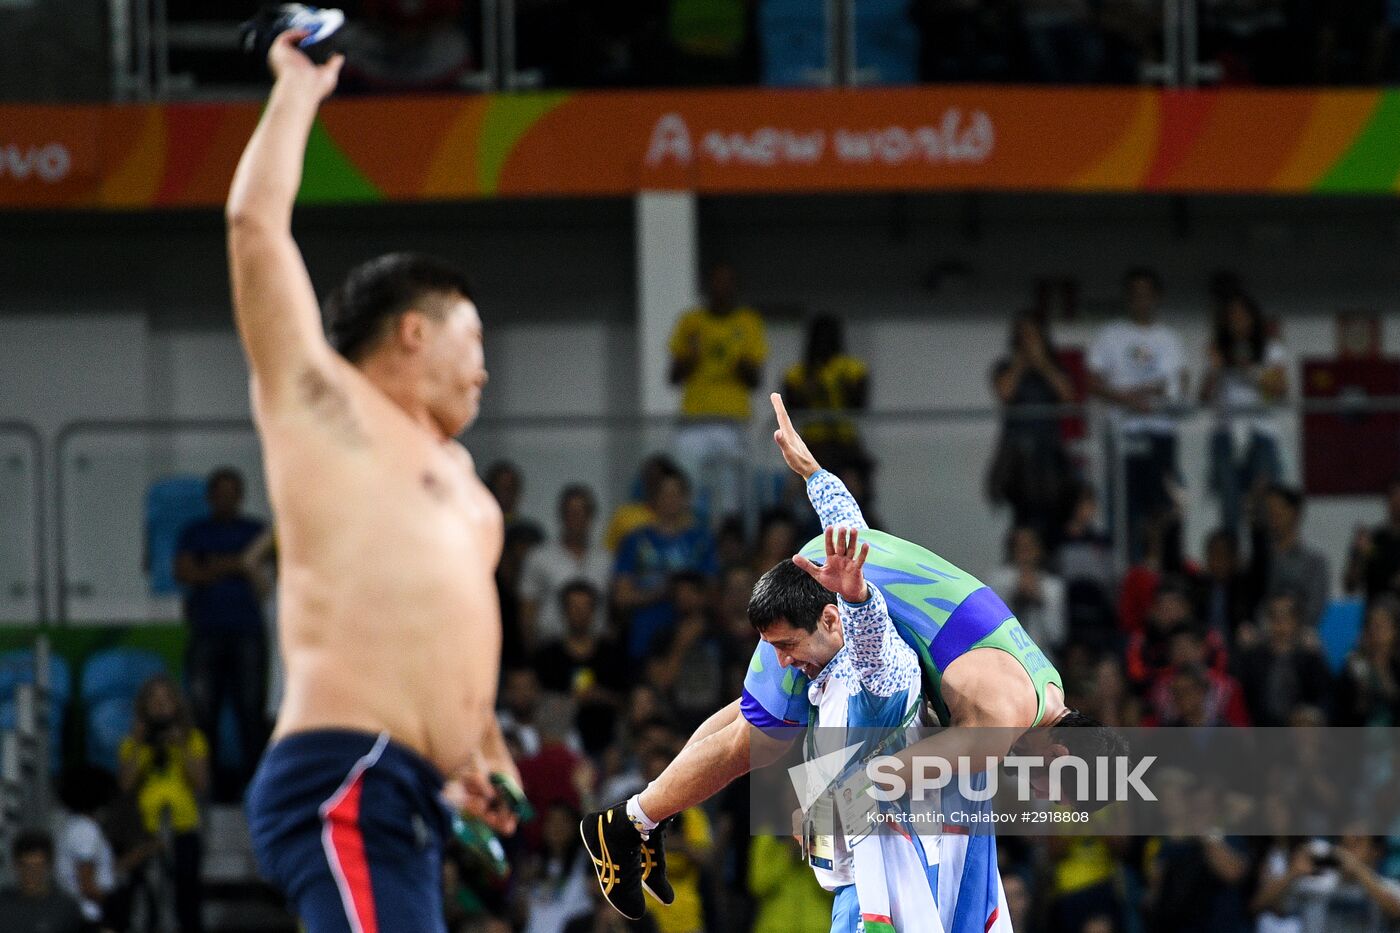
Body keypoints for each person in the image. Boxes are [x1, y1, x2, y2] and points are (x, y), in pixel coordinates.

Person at [583, 394, 1120, 929]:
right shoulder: (998, 723)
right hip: (836, 583)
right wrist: (820, 813)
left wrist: (818, 476)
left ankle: (652, 816)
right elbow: (887, 773)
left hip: (856, 556)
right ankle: (634, 821)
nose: (1038, 799)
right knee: (765, 736)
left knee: (755, 715)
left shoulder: (1046, 687)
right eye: (1054, 788)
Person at [229, 28, 518, 933]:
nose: (484, 372)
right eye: (474, 344)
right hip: (344, 765)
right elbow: (254, 229)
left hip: (416, 795)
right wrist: (298, 90)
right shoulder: (324, 407)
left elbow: (454, 658)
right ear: (414, 334)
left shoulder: (471, 497)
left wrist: (488, 764)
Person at [173, 465, 268, 795]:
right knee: (203, 712)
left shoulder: (257, 530)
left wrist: (212, 564)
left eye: (232, 492)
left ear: (240, 496)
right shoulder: (195, 531)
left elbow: (268, 583)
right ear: (210, 496)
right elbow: (186, 572)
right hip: (206, 632)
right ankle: (207, 788)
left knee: (251, 713)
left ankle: (256, 786)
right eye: (220, 492)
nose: (226, 499)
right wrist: (240, 564)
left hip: (249, 633)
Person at [1088, 267, 1187, 562]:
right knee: (1125, 507)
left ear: (1157, 297)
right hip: (1124, 434)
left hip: (1160, 433)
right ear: (1128, 298)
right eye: (1135, 294)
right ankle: (1127, 565)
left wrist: (1157, 395)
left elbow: (1179, 384)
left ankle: (1162, 566)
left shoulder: (1169, 337)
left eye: (1147, 294)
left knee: (1162, 506)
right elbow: (1092, 380)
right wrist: (1127, 398)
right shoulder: (1111, 334)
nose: (1141, 300)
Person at [667, 262, 767, 516]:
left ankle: (729, 536)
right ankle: (686, 525)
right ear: (708, 286)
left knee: (730, 495)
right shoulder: (691, 322)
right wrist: (692, 355)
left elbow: (755, 379)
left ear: (734, 287)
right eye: (717, 282)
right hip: (694, 420)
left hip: (732, 422)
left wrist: (740, 360)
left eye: (727, 282)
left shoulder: (747, 322)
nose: (722, 288)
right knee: (687, 483)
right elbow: (673, 375)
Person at [119, 674, 210, 932]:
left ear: (177, 705)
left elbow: (201, 783)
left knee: (187, 896)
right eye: (154, 701)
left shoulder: (193, 740)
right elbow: (125, 785)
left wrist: (180, 745)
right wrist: (138, 744)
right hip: (144, 830)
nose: (160, 707)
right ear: (144, 706)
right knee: (145, 896)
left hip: (183, 825)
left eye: (166, 700)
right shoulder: (132, 743)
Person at [1199, 292, 1288, 534]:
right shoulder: (1218, 351)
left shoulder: (1270, 349)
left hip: (1260, 431)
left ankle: (1264, 562)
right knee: (1229, 506)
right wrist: (1215, 369)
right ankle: (1232, 561)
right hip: (1226, 433)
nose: (1237, 323)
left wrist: (1250, 372)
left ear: (1253, 319)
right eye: (1232, 318)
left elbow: (1281, 389)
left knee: (1263, 506)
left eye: (1242, 317)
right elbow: (1203, 397)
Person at [989, 312, 1077, 550]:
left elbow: (1068, 396)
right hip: (1017, 454)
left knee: (1054, 509)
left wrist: (1043, 364)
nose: (1028, 341)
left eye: (1033, 336)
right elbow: (1005, 393)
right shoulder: (1006, 366)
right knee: (1023, 514)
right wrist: (1021, 362)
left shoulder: (1053, 366)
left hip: (1049, 453)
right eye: (1023, 336)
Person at [613, 467, 718, 661]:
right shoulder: (634, 541)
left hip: (695, 639)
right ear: (653, 499)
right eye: (664, 494)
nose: (670, 500)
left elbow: (713, 591)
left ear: (686, 498)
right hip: (646, 636)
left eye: (676, 494)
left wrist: (688, 598)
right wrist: (661, 593)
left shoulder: (701, 540)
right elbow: (621, 596)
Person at [520, 485, 612, 650]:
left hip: (596, 651)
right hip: (550, 646)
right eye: (571, 512)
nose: (576, 518)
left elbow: (613, 610)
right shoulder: (539, 557)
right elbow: (528, 609)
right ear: (562, 515)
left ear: (591, 516)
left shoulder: (606, 560)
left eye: (582, 512)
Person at [781, 314, 869, 468]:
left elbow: (860, 403)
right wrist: (809, 390)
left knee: (855, 481)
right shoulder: (799, 373)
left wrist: (843, 385)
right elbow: (790, 409)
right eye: (820, 337)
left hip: (845, 440)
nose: (824, 342)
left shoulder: (851, 368)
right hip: (813, 440)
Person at [1254, 484, 1331, 629]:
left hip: (1300, 638)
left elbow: (1314, 609)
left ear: (1295, 513)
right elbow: (1256, 605)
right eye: (1269, 512)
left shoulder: (1315, 562)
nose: (1272, 517)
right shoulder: (1259, 562)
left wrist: (1289, 629)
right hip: (1265, 638)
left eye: (1278, 510)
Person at [987, 525, 1067, 658]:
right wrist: (1015, 596)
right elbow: (992, 625)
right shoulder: (998, 580)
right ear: (1012, 549)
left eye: (1030, 547)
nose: (1025, 552)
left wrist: (1039, 600)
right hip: (1006, 655)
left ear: (1039, 550)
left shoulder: (1053, 587)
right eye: (1020, 547)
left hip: (1043, 656)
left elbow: (1057, 635)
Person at [54, 766, 117, 927]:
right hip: (88, 914)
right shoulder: (86, 830)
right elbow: (87, 883)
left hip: (77, 912)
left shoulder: (73, 826)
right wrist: (114, 903)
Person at [0, 831, 86, 933]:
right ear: (16, 866)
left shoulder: (65, 909)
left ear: (49, 866)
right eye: (26, 867)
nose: (31, 874)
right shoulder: (3, 904)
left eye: (37, 867)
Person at [1344, 476, 1400, 602]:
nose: (1397, 501)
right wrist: (1359, 555)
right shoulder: (1374, 539)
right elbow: (1350, 585)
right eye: (1394, 495)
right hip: (1375, 614)